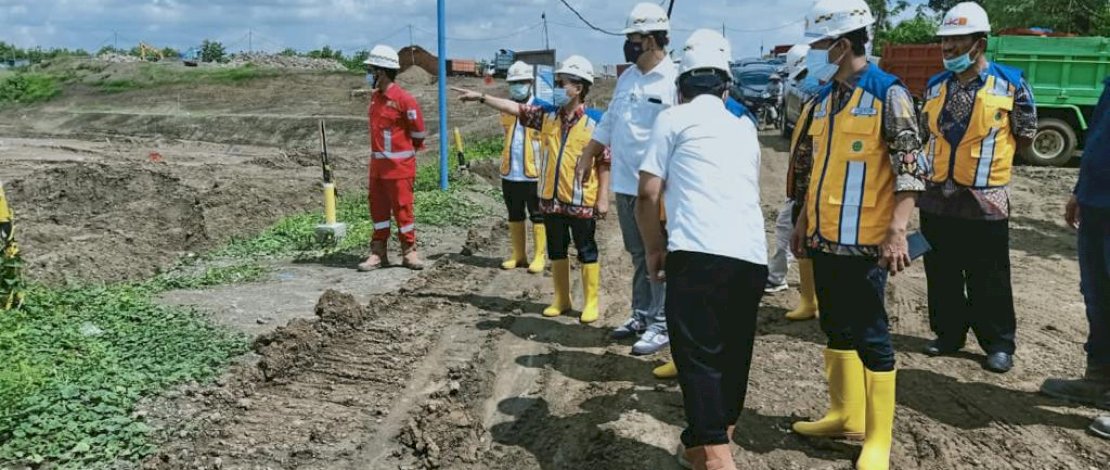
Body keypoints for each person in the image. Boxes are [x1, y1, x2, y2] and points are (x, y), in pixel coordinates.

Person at [788, 1, 926, 469]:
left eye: (822, 44)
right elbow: (813, 170)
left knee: (872, 335)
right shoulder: (825, 98)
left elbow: (911, 172)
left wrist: (897, 232)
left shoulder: (889, 94)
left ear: (844, 44)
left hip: (867, 243)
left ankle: (877, 439)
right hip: (825, 238)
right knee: (836, 327)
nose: (816, 53)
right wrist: (804, 223)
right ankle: (845, 414)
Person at [637, 29, 766, 470]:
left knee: (697, 357)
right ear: (726, 85)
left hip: (697, 252)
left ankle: (715, 456)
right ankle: (706, 442)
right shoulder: (744, 127)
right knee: (733, 353)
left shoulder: (673, 119)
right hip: (751, 257)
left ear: (680, 85)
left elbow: (648, 194)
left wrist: (655, 249)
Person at [917, 2, 1037, 374]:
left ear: (979, 44)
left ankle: (998, 343)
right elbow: (924, 135)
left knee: (990, 275)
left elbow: (1027, 133)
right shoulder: (936, 85)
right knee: (942, 272)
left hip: (986, 199)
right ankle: (949, 334)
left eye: (957, 42)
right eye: (944, 43)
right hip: (937, 198)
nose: (948, 50)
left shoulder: (1012, 83)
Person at [453, 56, 610, 324]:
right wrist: (481, 97)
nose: (559, 87)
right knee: (557, 250)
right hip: (550, 199)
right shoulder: (548, 116)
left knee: (586, 250)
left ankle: (591, 302)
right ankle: (561, 299)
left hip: (581, 199)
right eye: (559, 82)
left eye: (564, 83)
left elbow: (605, 161)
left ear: (580, 87)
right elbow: (514, 107)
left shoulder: (597, 121)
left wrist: (603, 197)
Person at [575, 2, 677, 356]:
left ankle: (663, 322)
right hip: (625, 182)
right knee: (638, 253)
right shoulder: (627, 77)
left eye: (633, 38)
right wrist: (589, 152)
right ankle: (642, 314)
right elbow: (610, 121)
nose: (628, 44)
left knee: (659, 253)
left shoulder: (673, 80)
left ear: (649, 41)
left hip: (657, 187)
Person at [1040, 76, 1110, 439]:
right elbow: (1099, 137)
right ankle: (1098, 380)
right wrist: (1080, 189)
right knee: (1098, 297)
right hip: (1098, 203)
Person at [358, 44, 427, 271]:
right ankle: (378, 253)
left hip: (400, 169)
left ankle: (409, 251)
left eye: (371, 70)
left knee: (403, 209)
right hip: (378, 168)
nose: (369, 74)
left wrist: (402, 154)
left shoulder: (405, 100)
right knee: (378, 211)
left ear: (382, 72)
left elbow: (418, 133)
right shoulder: (375, 99)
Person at [497, 60, 547, 275]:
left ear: (530, 82)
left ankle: (539, 256)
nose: (517, 86)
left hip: (534, 174)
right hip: (511, 172)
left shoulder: (542, 109)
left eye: (521, 82)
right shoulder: (506, 110)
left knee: (537, 215)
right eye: (513, 82)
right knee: (514, 214)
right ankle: (519, 255)